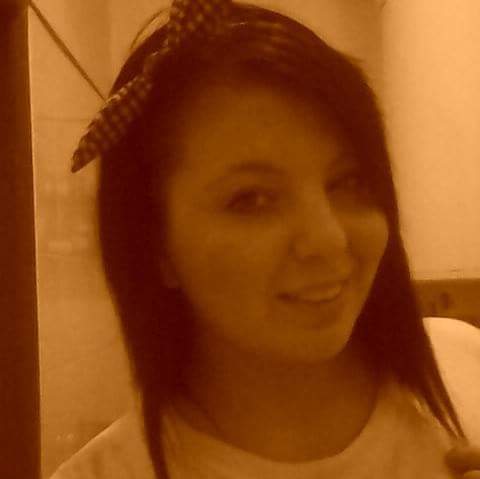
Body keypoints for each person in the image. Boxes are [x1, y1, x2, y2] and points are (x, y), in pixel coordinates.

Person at [52, 0, 480, 477]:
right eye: (252, 200)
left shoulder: (466, 371)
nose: (328, 239)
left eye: (349, 182)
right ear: (156, 245)